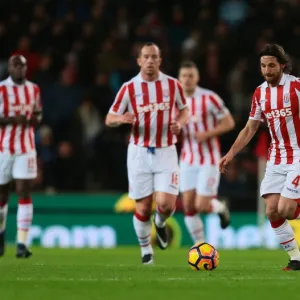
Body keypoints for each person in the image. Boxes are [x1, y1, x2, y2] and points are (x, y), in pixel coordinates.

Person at [106, 42, 189, 264]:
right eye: (146, 57)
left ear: (160, 60)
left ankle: (160, 223)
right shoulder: (129, 88)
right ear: (139, 61)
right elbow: (109, 118)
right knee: (142, 206)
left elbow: (185, 110)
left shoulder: (172, 85)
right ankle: (146, 252)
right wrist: (121, 119)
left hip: (166, 151)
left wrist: (179, 124)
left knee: (165, 205)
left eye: (154, 57)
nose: (150, 60)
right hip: (139, 153)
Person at [219, 44, 300, 271]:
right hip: (276, 157)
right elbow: (250, 128)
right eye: (263, 66)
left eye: (272, 65)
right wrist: (231, 153)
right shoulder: (259, 93)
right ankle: (296, 258)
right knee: (272, 210)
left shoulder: (296, 87)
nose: (267, 70)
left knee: (286, 209)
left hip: (298, 155)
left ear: (282, 65)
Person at [178, 61, 235, 244]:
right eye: (184, 76)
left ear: (197, 78)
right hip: (186, 159)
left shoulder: (210, 98)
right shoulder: (174, 102)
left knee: (201, 205)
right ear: (179, 79)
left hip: (209, 159)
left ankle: (220, 207)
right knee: (188, 206)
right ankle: (200, 245)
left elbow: (229, 123)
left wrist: (208, 134)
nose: (187, 80)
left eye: (190, 76)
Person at [0, 55, 42, 258]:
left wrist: (35, 119)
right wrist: (10, 120)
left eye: (22, 66)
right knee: (2, 195)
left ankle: (21, 244)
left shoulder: (33, 89)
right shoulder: (1, 89)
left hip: (26, 148)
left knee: (24, 191)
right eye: (15, 65)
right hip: (3, 149)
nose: (19, 69)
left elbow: (39, 114)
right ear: (9, 67)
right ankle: (1, 235)